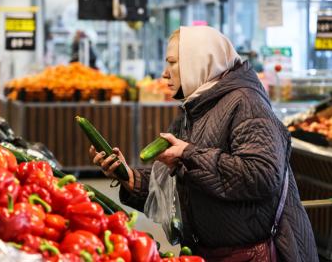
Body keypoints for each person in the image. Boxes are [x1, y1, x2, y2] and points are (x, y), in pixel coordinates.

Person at [88, 26, 318, 261]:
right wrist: (130, 178)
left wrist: (189, 154)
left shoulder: (247, 103)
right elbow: (183, 185)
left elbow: (262, 175)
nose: (165, 74)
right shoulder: (195, 108)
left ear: (199, 61)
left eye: (173, 63)